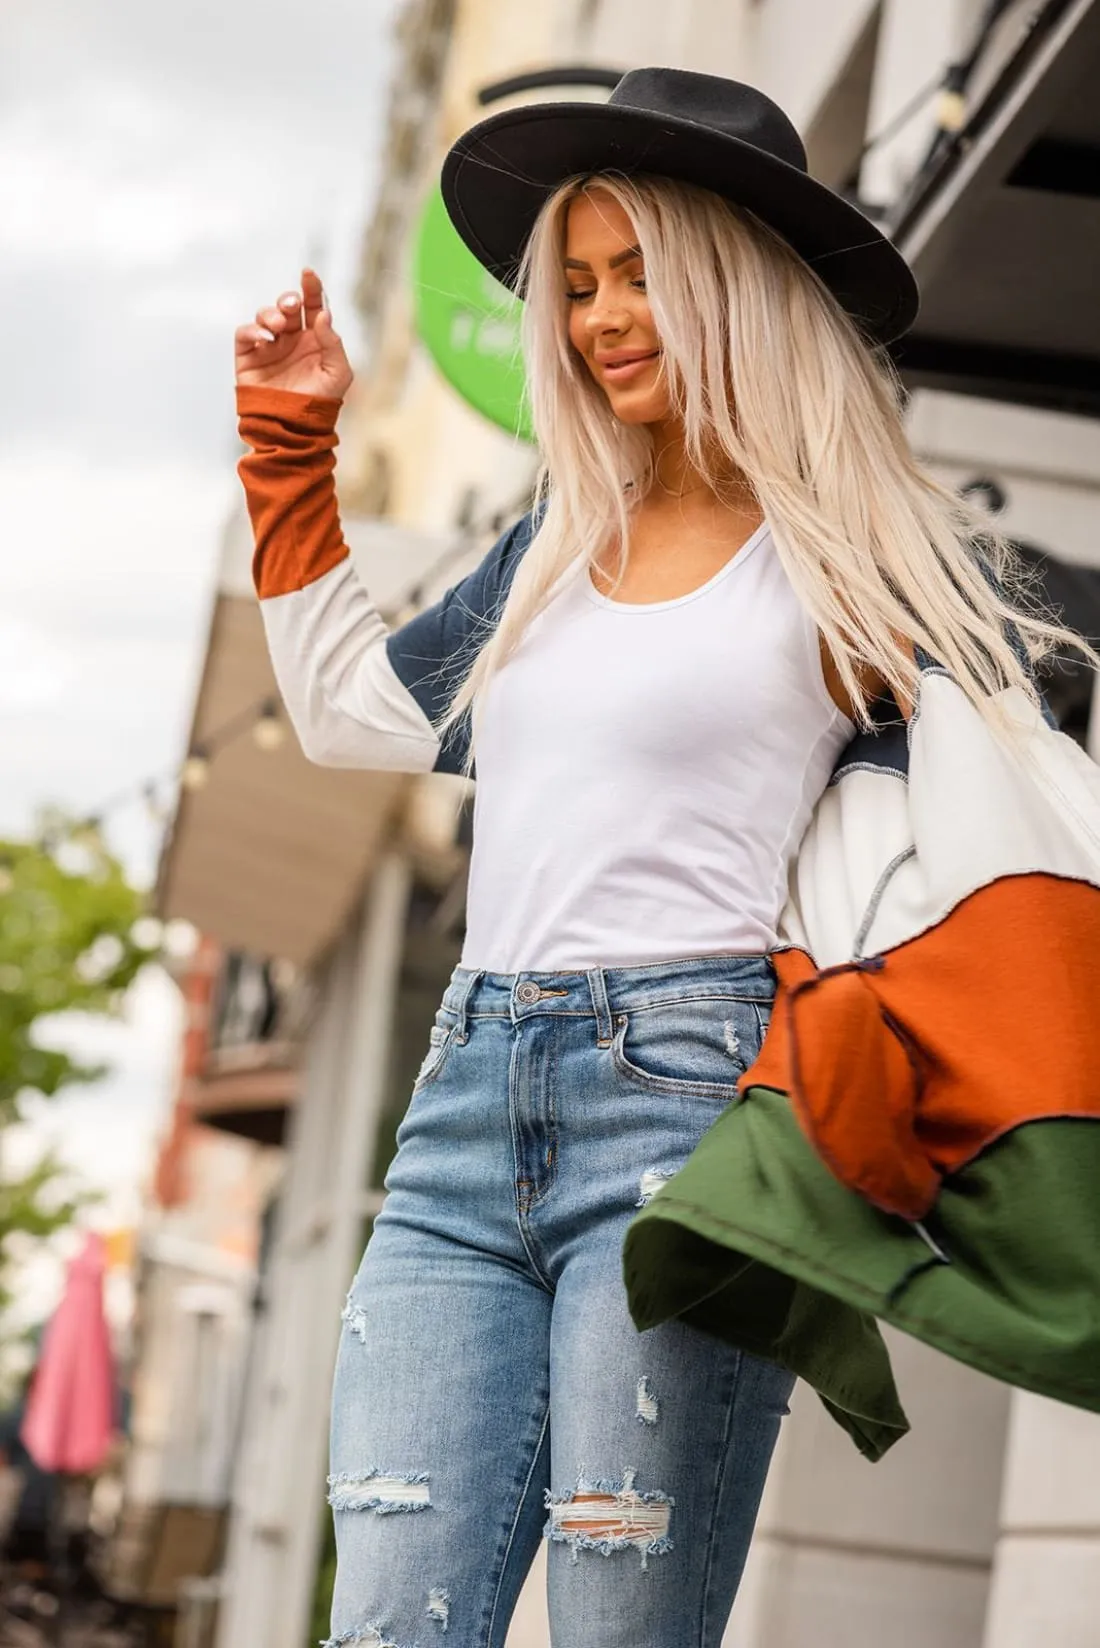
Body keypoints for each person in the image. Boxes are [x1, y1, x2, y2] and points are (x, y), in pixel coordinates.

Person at [233, 67, 1075, 1648]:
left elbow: (996, 837)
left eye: (641, 277)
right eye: (577, 285)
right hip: (462, 1112)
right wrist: (291, 446)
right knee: (391, 1626)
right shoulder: (550, 546)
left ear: (737, 290)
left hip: (684, 1127)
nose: (603, 317)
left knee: (624, 1633)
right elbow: (358, 714)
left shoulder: (855, 563)